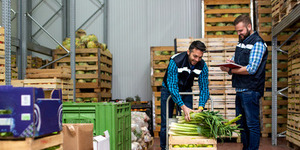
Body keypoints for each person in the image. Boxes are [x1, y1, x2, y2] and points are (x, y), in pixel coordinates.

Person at [220, 15, 268, 150]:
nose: (239, 33)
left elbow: (251, 69)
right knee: (241, 123)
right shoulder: (242, 41)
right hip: (240, 89)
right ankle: (246, 148)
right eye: (237, 31)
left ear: (249, 27)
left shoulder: (257, 43)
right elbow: (238, 59)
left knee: (252, 123)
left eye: (240, 30)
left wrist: (230, 71)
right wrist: (231, 62)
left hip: (251, 90)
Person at [160, 40, 210, 150]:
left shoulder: (202, 66)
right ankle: (164, 147)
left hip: (186, 90)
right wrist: (183, 106)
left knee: (188, 120)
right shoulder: (175, 61)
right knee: (165, 123)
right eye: (195, 56)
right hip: (168, 90)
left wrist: (201, 107)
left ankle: (182, 147)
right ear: (188, 52)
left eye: (200, 57)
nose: (197, 60)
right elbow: (173, 87)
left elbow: (204, 89)